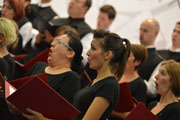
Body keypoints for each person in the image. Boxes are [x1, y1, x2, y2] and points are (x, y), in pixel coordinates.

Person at [23, 30, 131, 120]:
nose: (88, 53)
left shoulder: (109, 85)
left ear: (107, 54)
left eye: (93, 48)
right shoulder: (96, 82)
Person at [25, 32, 83, 104]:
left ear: (70, 54)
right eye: (54, 41)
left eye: (58, 42)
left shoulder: (71, 77)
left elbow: (64, 110)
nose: (52, 44)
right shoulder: (38, 66)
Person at [110, 44, 148, 120]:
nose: (123, 58)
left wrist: (109, 110)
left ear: (137, 62)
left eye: (128, 56)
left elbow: (136, 115)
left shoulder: (140, 85)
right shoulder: (114, 74)